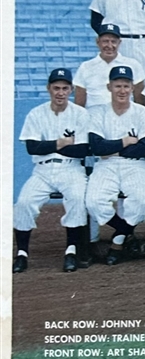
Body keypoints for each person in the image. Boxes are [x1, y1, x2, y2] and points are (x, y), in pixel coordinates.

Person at [13, 68, 91, 273]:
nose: (60, 92)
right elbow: (32, 147)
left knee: (76, 198)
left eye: (65, 88)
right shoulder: (36, 113)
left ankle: (71, 251)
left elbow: (82, 150)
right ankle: (21, 253)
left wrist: (49, 145)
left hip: (71, 169)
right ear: (49, 89)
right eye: (56, 88)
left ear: (71, 90)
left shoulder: (80, 114)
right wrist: (63, 142)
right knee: (24, 202)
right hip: (42, 170)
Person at [85, 65, 145, 265]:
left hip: (135, 165)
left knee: (141, 200)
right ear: (109, 87)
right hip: (105, 165)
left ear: (133, 87)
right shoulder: (98, 113)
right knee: (93, 202)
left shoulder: (143, 113)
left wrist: (112, 149)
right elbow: (97, 147)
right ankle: (125, 232)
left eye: (126, 86)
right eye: (118, 86)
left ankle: (117, 242)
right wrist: (125, 141)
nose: (122, 90)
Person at [73, 23, 145, 108]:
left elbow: (140, 101)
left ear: (119, 42)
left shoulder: (133, 65)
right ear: (97, 42)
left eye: (113, 42)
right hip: (93, 116)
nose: (109, 46)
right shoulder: (86, 67)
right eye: (105, 41)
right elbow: (79, 104)